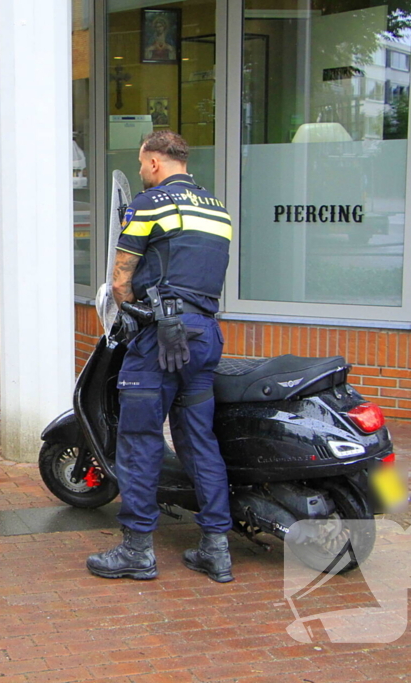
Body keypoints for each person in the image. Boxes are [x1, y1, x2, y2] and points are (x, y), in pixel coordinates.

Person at [86, 130, 234, 582]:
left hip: (159, 338)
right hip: (204, 335)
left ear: (153, 163)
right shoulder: (218, 211)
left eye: (140, 165)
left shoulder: (149, 204)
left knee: (140, 440)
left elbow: (119, 279)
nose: (141, 173)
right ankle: (216, 548)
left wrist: (130, 315)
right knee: (198, 440)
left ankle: (137, 549)